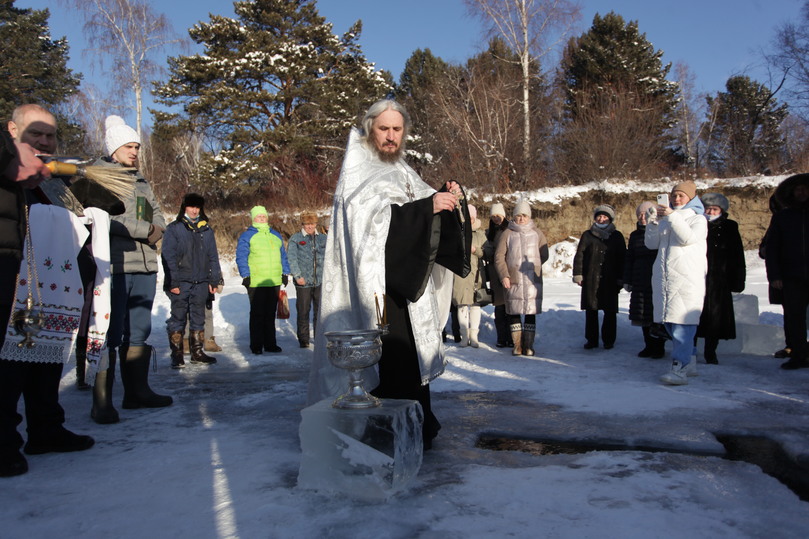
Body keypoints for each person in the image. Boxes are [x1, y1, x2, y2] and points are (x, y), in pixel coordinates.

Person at [307, 99, 469, 450]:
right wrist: (427, 208)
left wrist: (445, 195)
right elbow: (371, 226)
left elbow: (421, 203)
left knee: (410, 361)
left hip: (410, 286)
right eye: (384, 129)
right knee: (391, 360)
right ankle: (387, 435)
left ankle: (417, 426)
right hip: (380, 291)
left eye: (398, 129)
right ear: (370, 129)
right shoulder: (359, 170)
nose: (391, 136)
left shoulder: (402, 170)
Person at [1, 108, 94, 478]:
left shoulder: (53, 178)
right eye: (35, 133)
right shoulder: (9, 167)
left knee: (48, 353)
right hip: (12, 272)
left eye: (50, 135)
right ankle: (5, 441)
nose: (44, 141)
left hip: (52, 283)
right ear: (11, 131)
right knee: (12, 357)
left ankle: (46, 428)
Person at [98, 115, 173, 409]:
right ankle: (102, 399)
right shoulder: (100, 176)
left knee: (139, 330)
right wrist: (146, 231)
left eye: (137, 147)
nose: (134, 152)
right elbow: (105, 217)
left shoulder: (141, 180)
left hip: (145, 265)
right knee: (110, 331)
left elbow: (158, 213)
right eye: (128, 147)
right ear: (114, 149)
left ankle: (137, 392)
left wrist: (158, 227)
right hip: (116, 264)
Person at [645, 180, 707, 385]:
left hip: (686, 279)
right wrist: (653, 223)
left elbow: (687, 238)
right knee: (671, 324)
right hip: (666, 279)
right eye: (674, 195)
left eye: (681, 195)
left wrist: (672, 217)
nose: (676, 199)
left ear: (691, 198)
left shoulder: (698, 219)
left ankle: (679, 367)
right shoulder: (667, 219)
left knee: (683, 325)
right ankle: (690, 362)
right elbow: (651, 244)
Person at [162, 193, 222, 368]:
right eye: (191, 207)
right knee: (178, 317)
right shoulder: (174, 228)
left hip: (202, 281)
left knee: (198, 317)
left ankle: (197, 352)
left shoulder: (206, 229)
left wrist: (214, 279)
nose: (195, 210)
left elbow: (213, 256)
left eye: (197, 207)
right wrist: (172, 282)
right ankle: (177, 354)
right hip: (181, 281)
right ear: (184, 207)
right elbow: (168, 257)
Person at [764, 173, 809, 370]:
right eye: (798, 189)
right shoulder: (783, 217)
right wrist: (775, 276)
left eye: (805, 189)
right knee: (794, 318)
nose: (802, 192)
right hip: (792, 277)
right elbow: (772, 249)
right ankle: (799, 355)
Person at [695, 193, 746, 364]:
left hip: (719, 280)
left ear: (721, 210)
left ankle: (711, 351)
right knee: (694, 316)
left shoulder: (730, 227)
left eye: (714, 209)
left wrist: (738, 280)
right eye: (707, 208)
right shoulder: (697, 224)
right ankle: (690, 349)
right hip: (697, 277)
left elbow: (737, 255)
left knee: (715, 319)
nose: (710, 211)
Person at [494, 200, 549, 356]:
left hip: (532, 279)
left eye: (524, 215)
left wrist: (534, 266)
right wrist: (504, 274)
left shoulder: (537, 233)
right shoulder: (508, 233)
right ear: (514, 216)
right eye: (518, 215)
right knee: (514, 311)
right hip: (513, 278)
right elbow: (499, 256)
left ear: (529, 216)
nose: (521, 219)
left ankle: (528, 345)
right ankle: (517, 345)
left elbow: (544, 254)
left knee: (530, 311)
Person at [236, 205, 291, 354]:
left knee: (270, 314)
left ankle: (270, 343)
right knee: (257, 314)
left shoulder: (275, 235)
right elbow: (241, 257)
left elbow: (283, 256)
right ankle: (256, 345)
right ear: (253, 219)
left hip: (273, 280)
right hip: (256, 281)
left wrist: (285, 273)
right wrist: (246, 275)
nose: (262, 218)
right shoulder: (247, 236)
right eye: (259, 216)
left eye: (264, 216)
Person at [572, 204, 626, 350]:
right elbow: (580, 255)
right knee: (591, 310)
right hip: (591, 278)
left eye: (605, 217)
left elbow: (622, 258)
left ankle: (609, 340)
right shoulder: (587, 235)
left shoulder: (617, 236)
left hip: (610, 279)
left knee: (610, 312)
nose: (601, 219)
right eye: (599, 216)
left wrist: (621, 278)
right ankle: (591, 340)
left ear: (610, 219)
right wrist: (578, 273)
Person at [623, 201, 665, 359]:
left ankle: (658, 347)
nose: (642, 217)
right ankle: (648, 345)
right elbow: (630, 258)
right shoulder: (635, 235)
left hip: (656, 278)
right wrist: (627, 279)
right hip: (639, 279)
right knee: (642, 314)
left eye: (645, 213)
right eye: (639, 214)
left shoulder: (662, 231)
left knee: (657, 314)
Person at [286, 211, 327, 348]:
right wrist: (297, 276)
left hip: (320, 281)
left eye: (312, 224)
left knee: (319, 312)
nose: (310, 227)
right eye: (307, 224)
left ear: (316, 224)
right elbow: (291, 259)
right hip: (303, 282)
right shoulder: (296, 239)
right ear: (303, 224)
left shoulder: (323, 239)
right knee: (303, 311)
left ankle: (319, 337)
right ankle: (303, 339)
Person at [452, 204, 486, 347]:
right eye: (467, 217)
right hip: (460, 273)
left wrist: (475, 250)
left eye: (472, 217)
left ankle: (474, 336)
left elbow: (487, 252)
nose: (470, 220)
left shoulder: (480, 234)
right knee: (462, 304)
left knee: (475, 305)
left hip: (477, 273)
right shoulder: (456, 233)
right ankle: (464, 335)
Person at [484, 202, 512, 348]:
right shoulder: (489, 233)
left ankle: (513, 337)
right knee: (500, 307)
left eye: (498, 215)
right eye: (493, 216)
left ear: (503, 215)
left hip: (510, 271)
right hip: (495, 273)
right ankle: (502, 337)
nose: (496, 218)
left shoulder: (511, 230)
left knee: (511, 306)